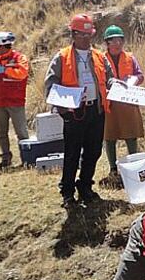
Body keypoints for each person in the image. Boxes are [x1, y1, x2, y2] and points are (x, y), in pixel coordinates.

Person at [44, 13, 114, 208]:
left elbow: (109, 78)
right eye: (81, 34)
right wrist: (61, 106)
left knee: (93, 151)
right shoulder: (61, 57)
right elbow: (50, 84)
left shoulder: (99, 56)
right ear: (73, 34)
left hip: (96, 110)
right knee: (72, 153)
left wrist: (115, 84)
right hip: (74, 113)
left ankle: (85, 187)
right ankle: (67, 193)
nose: (85, 38)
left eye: (88, 34)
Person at [0, 31, 30, 170]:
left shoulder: (19, 58)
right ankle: (6, 159)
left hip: (15, 101)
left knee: (21, 133)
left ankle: (27, 158)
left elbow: (22, 73)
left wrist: (5, 70)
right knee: (1, 133)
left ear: (3, 46)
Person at [102, 25, 145, 177]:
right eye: (114, 41)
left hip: (128, 102)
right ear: (107, 43)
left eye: (120, 40)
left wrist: (134, 80)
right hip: (109, 104)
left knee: (131, 135)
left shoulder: (130, 57)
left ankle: (134, 165)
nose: (118, 44)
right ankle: (113, 170)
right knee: (110, 137)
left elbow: (140, 75)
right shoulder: (101, 59)